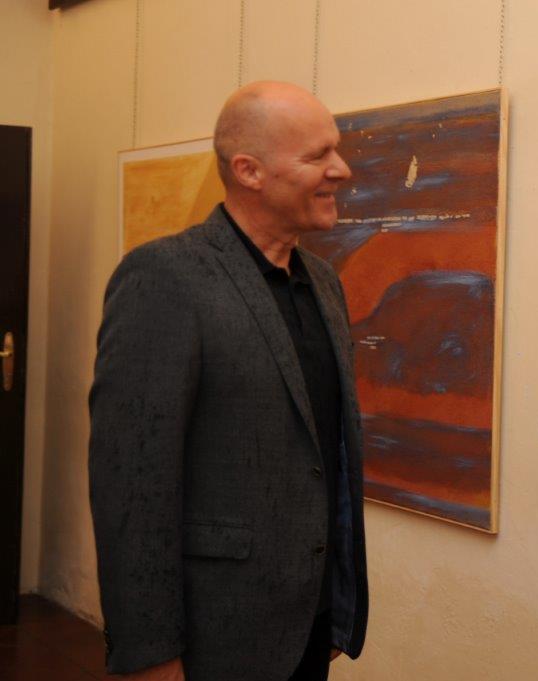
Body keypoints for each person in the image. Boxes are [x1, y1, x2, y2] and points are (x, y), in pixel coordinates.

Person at [89, 81, 368, 681]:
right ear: (249, 171)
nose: (341, 169)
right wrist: (149, 652)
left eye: (337, 150)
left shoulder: (323, 283)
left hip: (309, 623)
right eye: (318, 155)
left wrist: (335, 603)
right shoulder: (164, 277)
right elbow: (131, 484)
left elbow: (325, 458)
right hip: (212, 636)